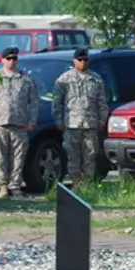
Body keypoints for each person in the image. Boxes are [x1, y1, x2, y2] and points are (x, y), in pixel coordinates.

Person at [0, 46, 39, 198]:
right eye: (9, 58)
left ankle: (16, 185)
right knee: (0, 157)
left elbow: (33, 102)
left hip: (20, 124)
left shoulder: (25, 78)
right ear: (2, 59)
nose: (12, 61)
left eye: (15, 58)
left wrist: (32, 120)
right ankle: (3, 186)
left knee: (18, 157)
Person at [52, 47, 109, 185]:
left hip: (90, 124)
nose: (83, 62)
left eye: (85, 60)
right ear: (74, 61)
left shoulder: (95, 79)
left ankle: (87, 183)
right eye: (80, 60)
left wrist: (102, 120)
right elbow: (57, 102)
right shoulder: (64, 79)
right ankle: (76, 183)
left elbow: (102, 102)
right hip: (72, 124)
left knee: (90, 154)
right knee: (73, 156)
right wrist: (59, 120)